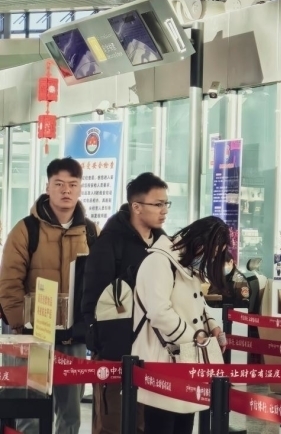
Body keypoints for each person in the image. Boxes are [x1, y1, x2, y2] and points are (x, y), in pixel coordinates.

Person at [0, 157, 97, 434]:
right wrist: (20, 324)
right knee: (29, 410)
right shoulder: (25, 230)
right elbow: (9, 282)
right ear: (48, 187)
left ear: (80, 188)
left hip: (73, 336)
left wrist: (89, 325)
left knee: (71, 412)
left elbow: (98, 283)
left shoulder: (91, 232)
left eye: (73, 184)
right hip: (32, 335)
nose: (66, 190)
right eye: (59, 184)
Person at [81, 172, 170, 434]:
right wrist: (106, 345)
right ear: (136, 206)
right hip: (117, 354)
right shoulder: (110, 243)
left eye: (166, 203)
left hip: (155, 355)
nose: (164, 210)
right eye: (157, 204)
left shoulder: (165, 245)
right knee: (115, 424)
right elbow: (93, 300)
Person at [131, 216, 229, 434]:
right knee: (162, 424)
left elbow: (197, 304)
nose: (211, 258)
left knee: (184, 424)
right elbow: (159, 312)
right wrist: (194, 339)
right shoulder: (159, 262)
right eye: (212, 253)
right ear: (199, 243)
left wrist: (212, 326)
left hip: (185, 359)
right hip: (163, 359)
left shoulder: (185, 265)